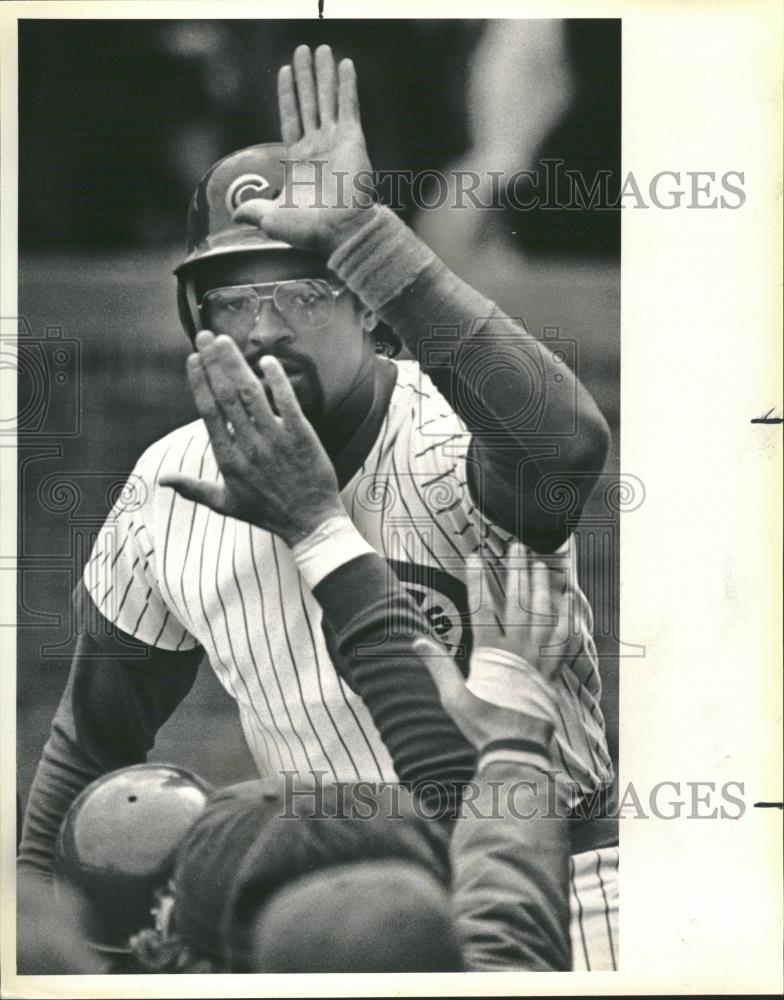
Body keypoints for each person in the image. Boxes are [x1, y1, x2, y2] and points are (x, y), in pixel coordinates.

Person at [19, 42, 612, 941]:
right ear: (195, 318)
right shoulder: (166, 483)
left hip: (555, 884)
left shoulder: (458, 433)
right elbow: (90, 746)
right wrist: (33, 933)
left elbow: (565, 446)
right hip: (328, 912)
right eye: (229, 298)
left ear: (368, 303)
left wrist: (365, 236)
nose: (262, 328)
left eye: (301, 292)